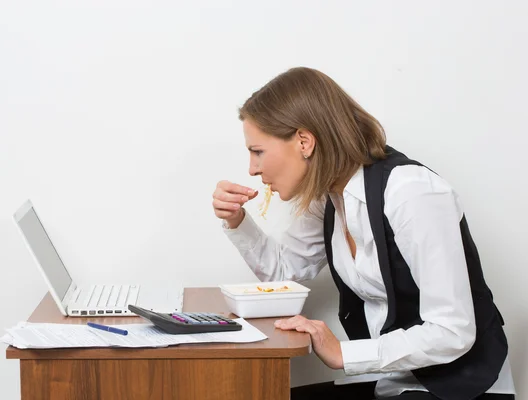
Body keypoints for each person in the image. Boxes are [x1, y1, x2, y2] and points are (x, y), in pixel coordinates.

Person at [212, 67, 515, 400]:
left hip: (461, 386)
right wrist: (237, 220)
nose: (252, 169)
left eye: (258, 151)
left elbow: (452, 329)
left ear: (304, 141)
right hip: (392, 378)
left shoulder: (411, 193)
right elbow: (283, 272)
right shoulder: (328, 198)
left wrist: (344, 354)